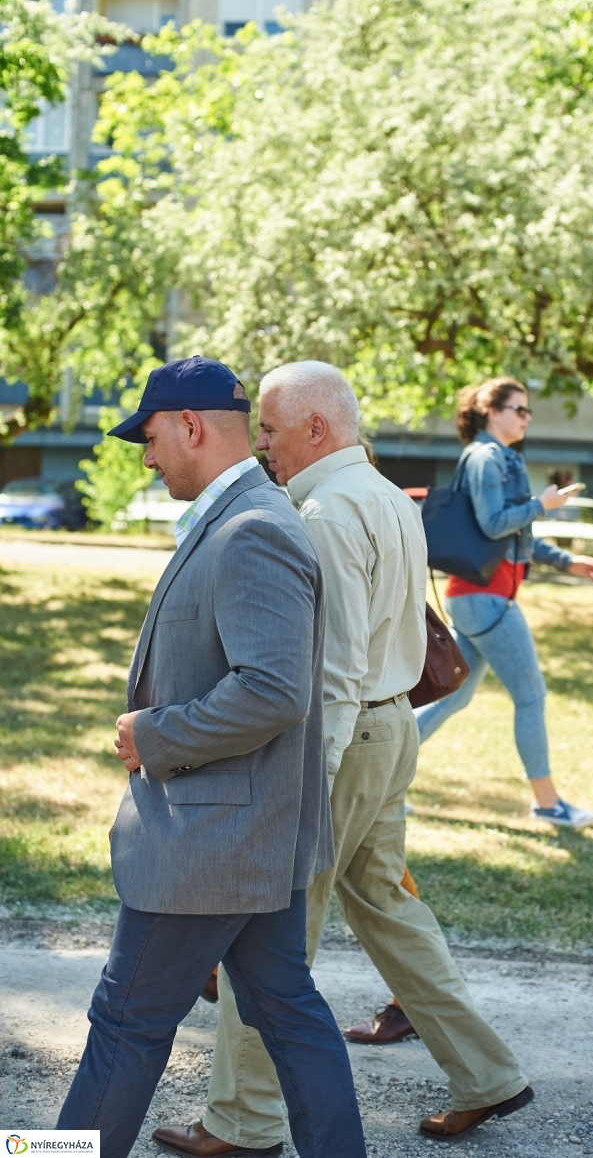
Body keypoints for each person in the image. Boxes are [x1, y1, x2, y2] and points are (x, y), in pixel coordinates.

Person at [152, 361, 533, 1153]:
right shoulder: (386, 496)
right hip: (389, 731)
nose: (261, 443)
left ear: (315, 428)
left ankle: (243, 1122)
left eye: (269, 428)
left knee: (270, 933)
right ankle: (488, 1073)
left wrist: (305, 788)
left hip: (342, 742)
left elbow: (333, 666)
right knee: (389, 908)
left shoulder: (323, 512)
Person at [56, 356, 366, 1158]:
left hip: (209, 847)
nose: (147, 457)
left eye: (150, 438)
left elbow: (273, 690)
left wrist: (153, 735)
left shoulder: (252, 527)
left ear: (190, 426)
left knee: (124, 1023)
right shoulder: (244, 515)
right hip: (246, 838)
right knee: (289, 1013)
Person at [414, 376, 593, 828]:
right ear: (491, 412)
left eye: (528, 411)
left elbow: (515, 539)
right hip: (486, 599)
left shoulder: (499, 457)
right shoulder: (485, 458)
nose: (527, 418)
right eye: (519, 409)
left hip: (479, 597)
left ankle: (380, 781)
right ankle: (548, 803)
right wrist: (542, 504)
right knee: (531, 695)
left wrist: (568, 561)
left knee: (452, 698)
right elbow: (494, 523)